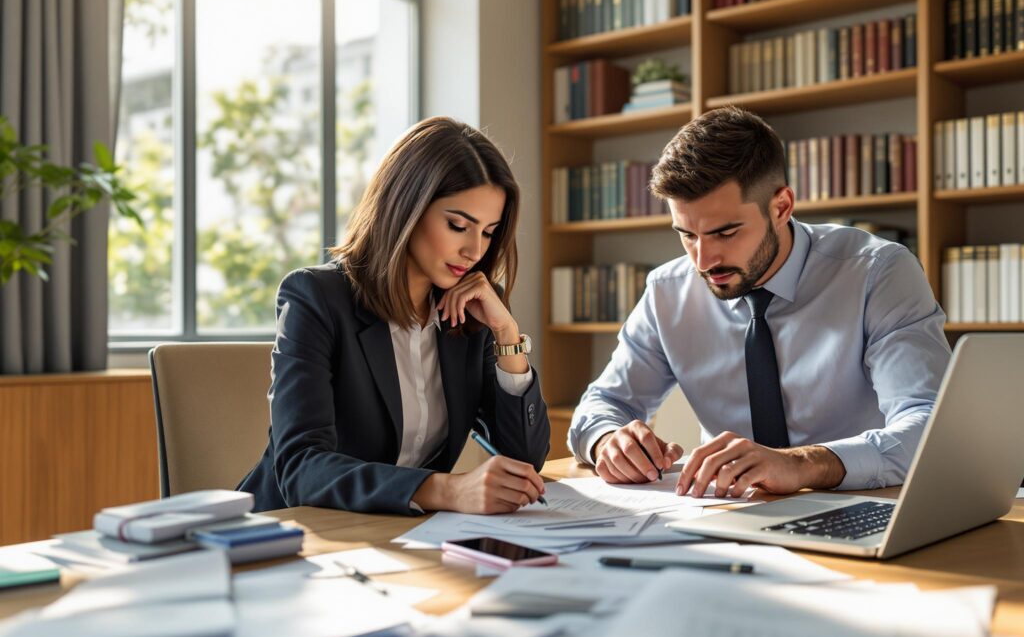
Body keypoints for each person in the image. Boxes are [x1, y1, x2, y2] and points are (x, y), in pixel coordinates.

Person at [569, 106, 950, 499]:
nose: (703, 261)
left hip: (865, 504)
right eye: (687, 235)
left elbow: (930, 427)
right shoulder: (668, 291)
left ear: (782, 206)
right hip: (727, 518)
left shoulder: (877, 273)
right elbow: (602, 404)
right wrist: (608, 440)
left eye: (726, 232)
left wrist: (802, 464)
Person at [240, 116, 549, 515]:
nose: (475, 250)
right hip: (294, 535)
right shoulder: (316, 298)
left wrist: (507, 333)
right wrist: (446, 490)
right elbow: (301, 468)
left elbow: (524, 459)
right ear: (406, 207)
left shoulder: (472, 311)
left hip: (396, 538)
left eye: (489, 232)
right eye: (458, 225)